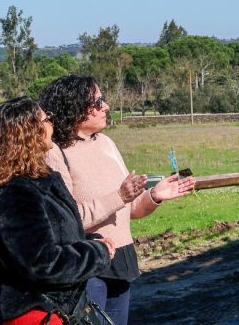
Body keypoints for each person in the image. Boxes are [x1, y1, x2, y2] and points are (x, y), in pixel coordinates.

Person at [39, 75, 196, 325]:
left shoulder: (107, 143)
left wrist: (154, 196)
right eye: (98, 101)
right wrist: (119, 196)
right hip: (87, 264)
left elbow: (130, 208)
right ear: (75, 107)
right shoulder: (55, 153)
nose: (106, 106)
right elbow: (67, 219)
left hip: (120, 257)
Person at [0, 97, 115, 324]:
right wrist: (97, 253)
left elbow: (55, 236)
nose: (52, 124)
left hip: (61, 310)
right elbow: (42, 263)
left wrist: (93, 241)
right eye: (47, 120)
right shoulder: (14, 192)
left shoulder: (41, 179)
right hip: (36, 314)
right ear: (28, 132)